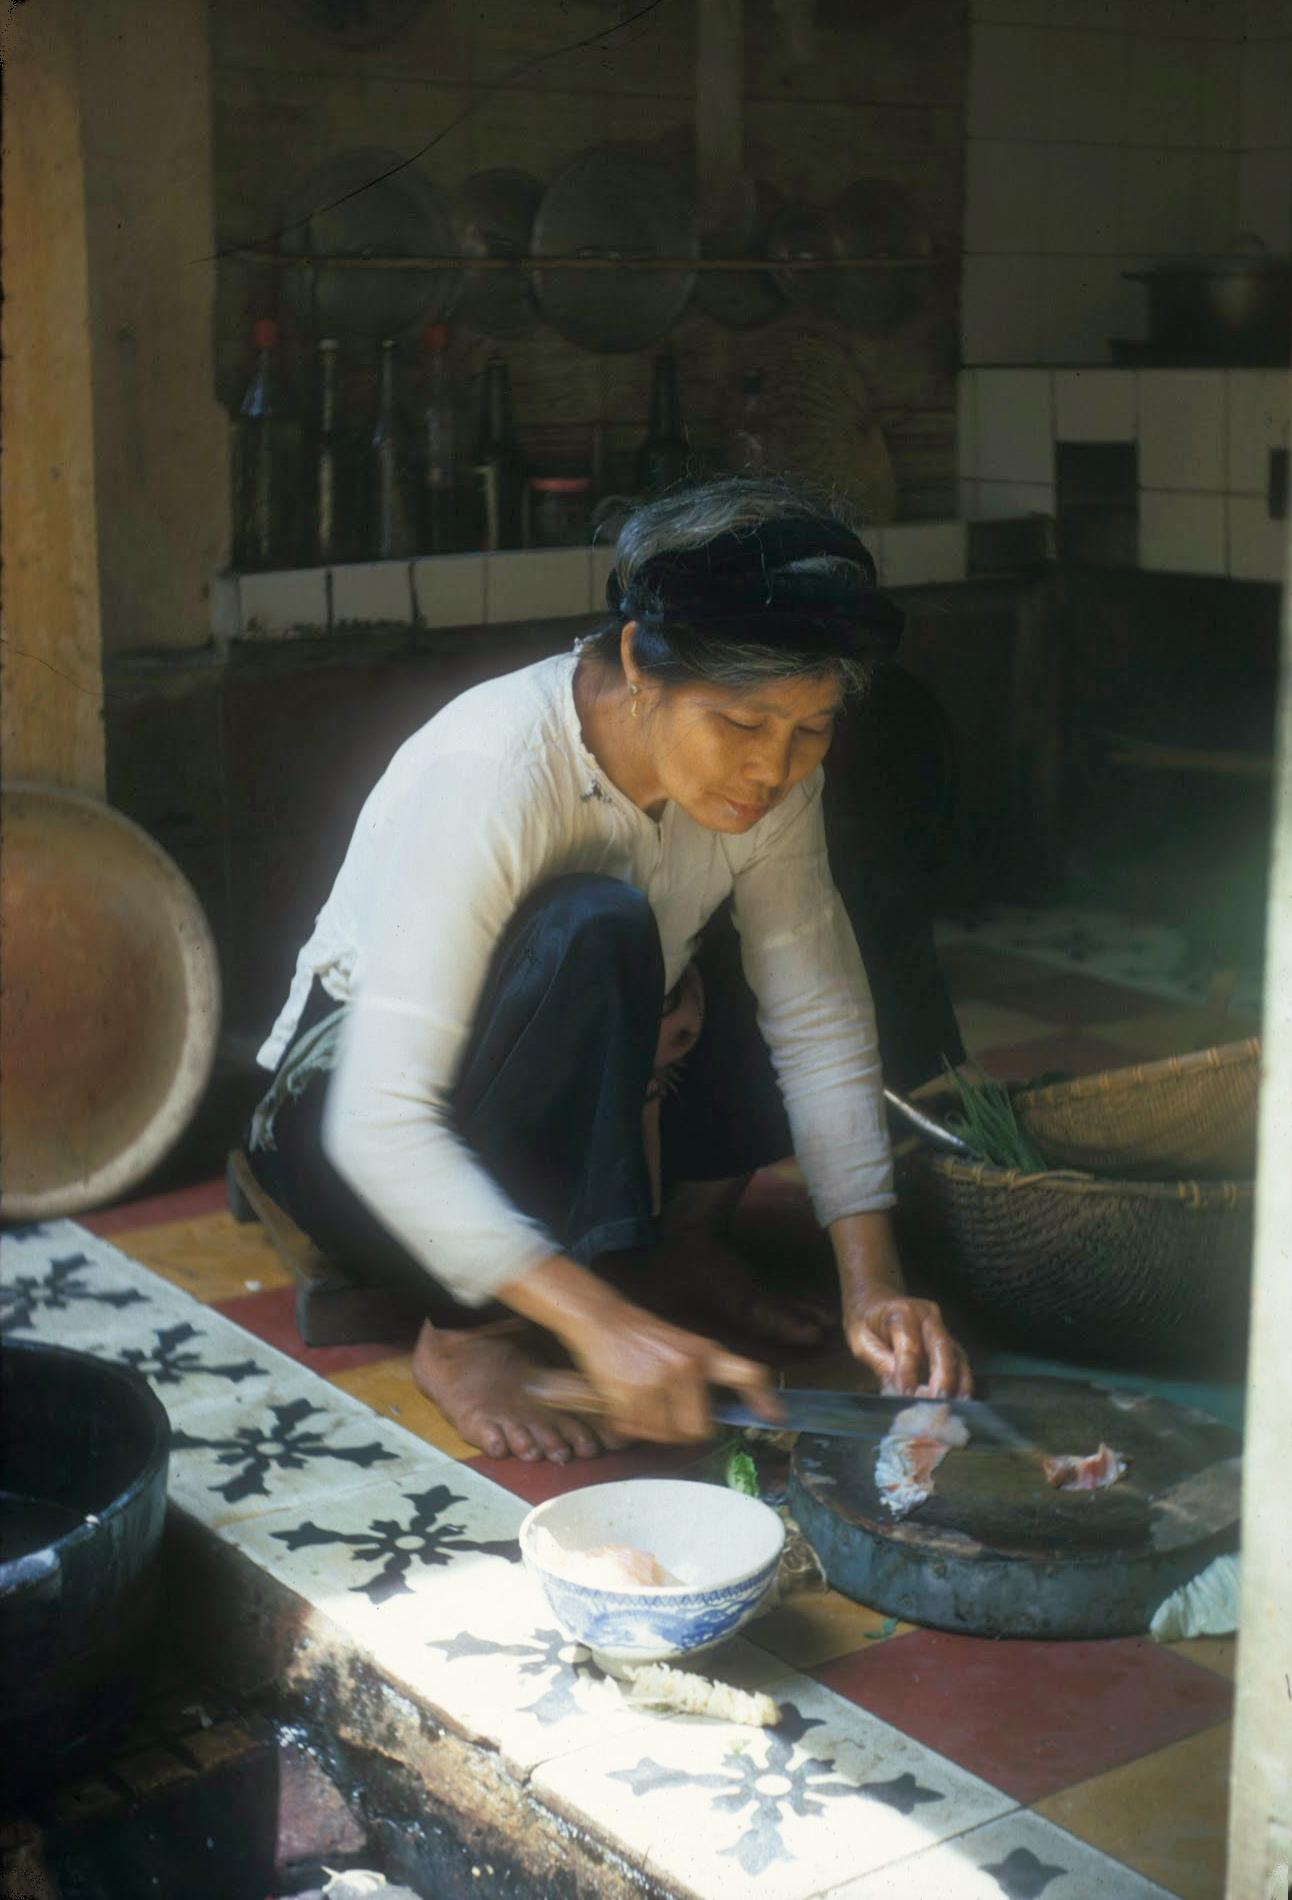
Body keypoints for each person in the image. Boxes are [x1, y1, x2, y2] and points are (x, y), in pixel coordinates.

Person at [243, 475, 972, 1465]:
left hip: (584, 1097)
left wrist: (870, 1278)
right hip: (341, 1125)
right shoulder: (497, 769)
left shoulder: (774, 780)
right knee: (595, 923)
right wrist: (596, 1324)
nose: (774, 766)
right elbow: (377, 1124)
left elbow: (815, 1011)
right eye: (743, 724)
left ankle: (676, 1247)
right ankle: (467, 1338)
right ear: (639, 662)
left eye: (810, 728)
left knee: (825, 928)